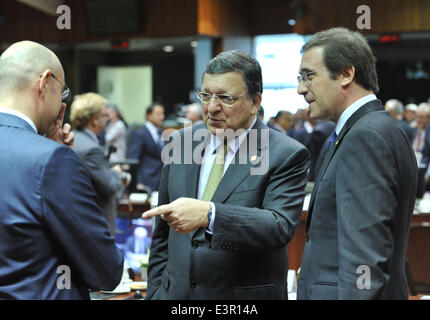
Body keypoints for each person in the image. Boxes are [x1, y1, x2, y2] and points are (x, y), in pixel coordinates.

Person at [142, 50, 310, 300]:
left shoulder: (285, 154)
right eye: (206, 95)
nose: (212, 108)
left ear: (255, 102)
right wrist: (155, 292)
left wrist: (210, 215)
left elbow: (278, 226)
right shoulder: (181, 143)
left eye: (225, 98)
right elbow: (162, 234)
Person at [296, 27, 418, 300]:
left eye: (309, 76)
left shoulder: (365, 136)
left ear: (346, 74)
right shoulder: (371, 128)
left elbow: (365, 264)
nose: (301, 88)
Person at [0, 41, 123, 299]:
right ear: (45, 82)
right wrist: (54, 155)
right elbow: (106, 271)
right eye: (62, 92)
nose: (61, 104)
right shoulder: (52, 160)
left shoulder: (45, 154)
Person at [70, 93, 130, 237]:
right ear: (95, 120)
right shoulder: (91, 148)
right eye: (104, 115)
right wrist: (116, 172)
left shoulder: (73, 139)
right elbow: (110, 186)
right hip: (95, 226)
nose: (108, 119)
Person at [128, 103, 165, 192]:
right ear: (148, 115)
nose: (162, 117)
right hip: (145, 182)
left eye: (163, 114)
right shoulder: (140, 134)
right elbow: (133, 160)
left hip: (160, 180)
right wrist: (137, 182)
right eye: (158, 114)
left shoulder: (161, 132)